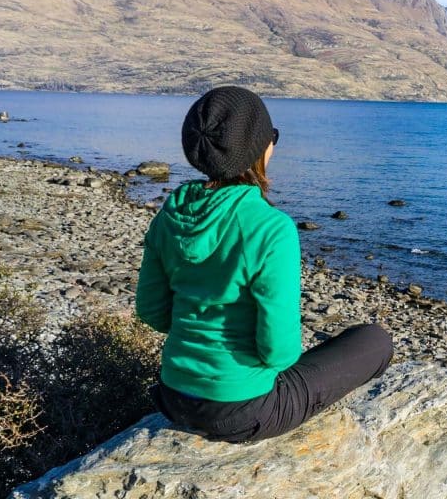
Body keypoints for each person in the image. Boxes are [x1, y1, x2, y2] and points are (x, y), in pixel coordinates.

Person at [135, 85, 394, 443]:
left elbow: (152, 312)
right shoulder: (272, 229)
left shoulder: (170, 215)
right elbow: (279, 353)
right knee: (374, 340)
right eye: (272, 138)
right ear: (260, 148)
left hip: (173, 396)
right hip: (241, 411)